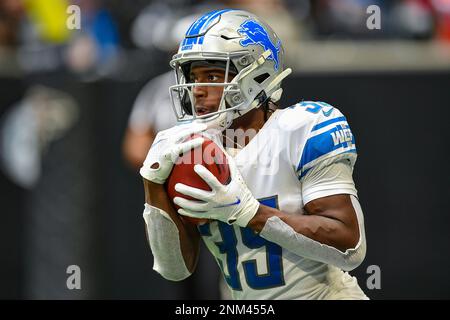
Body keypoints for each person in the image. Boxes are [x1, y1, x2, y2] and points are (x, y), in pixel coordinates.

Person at [140, 9, 368, 300]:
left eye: (211, 74)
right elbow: (175, 269)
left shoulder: (303, 128)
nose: (197, 90)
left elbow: (350, 247)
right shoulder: (192, 147)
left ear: (257, 73)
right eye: (192, 76)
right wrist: (152, 183)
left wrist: (249, 213)